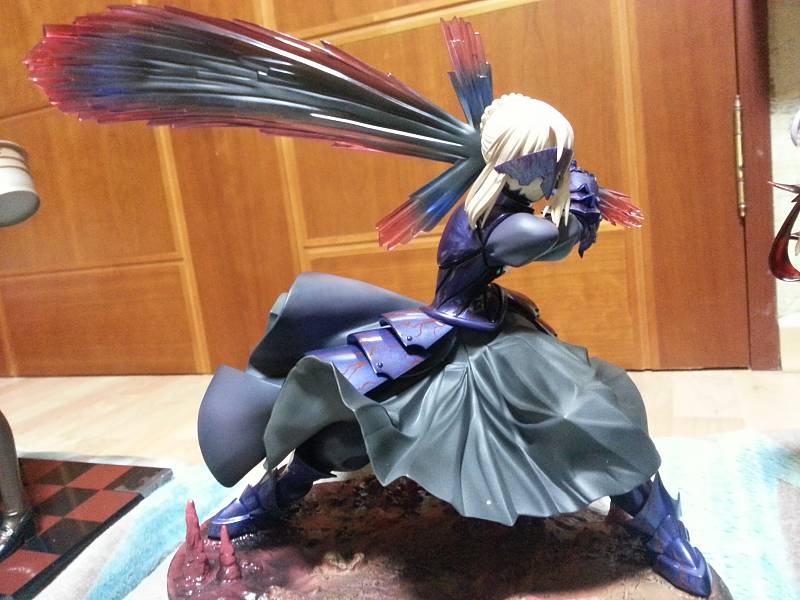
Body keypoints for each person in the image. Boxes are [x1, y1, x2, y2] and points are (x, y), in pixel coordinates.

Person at [27, 8, 711, 595]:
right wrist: (578, 200)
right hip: (462, 343)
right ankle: (271, 498)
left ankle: (653, 516)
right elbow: (550, 241)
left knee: (590, 411)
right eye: (546, 159)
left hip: (491, 330)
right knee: (366, 425)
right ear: (512, 161)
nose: (554, 169)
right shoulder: (499, 224)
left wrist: (565, 187)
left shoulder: (503, 201)